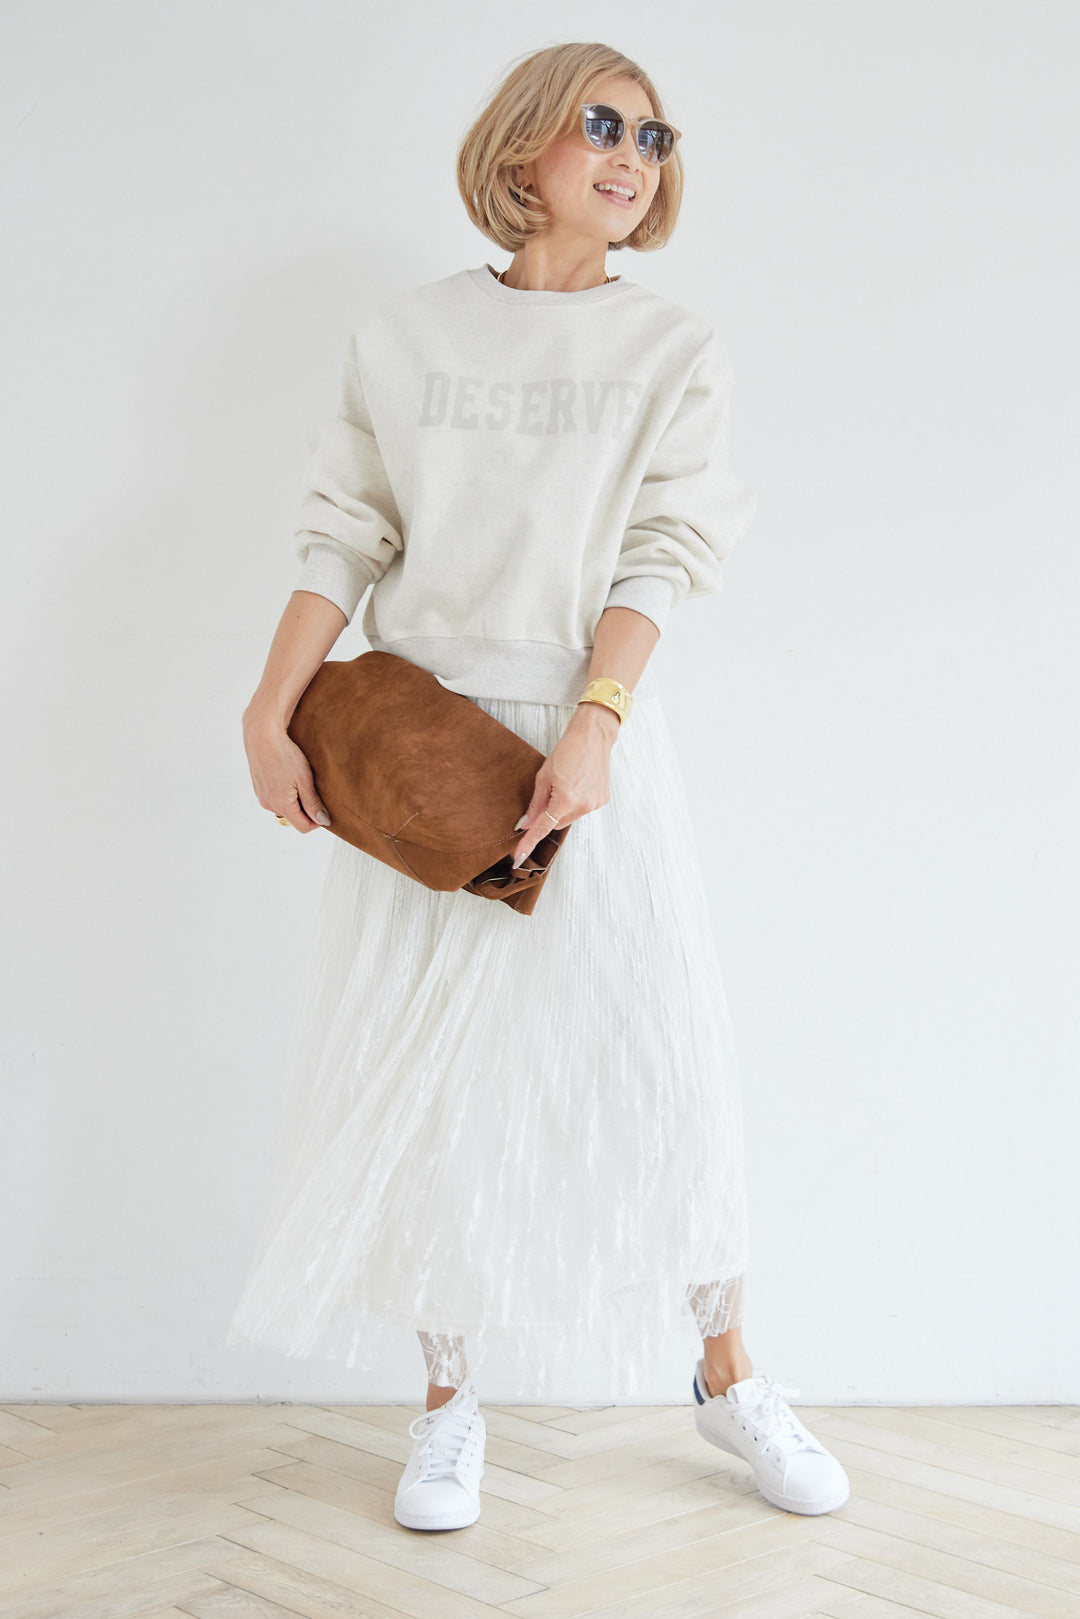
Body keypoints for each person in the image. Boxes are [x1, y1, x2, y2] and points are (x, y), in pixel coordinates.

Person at [226, 40, 850, 1531]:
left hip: (582, 738)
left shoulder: (672, 349)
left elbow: (661, 551)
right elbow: (345, 530)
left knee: (662, 1061)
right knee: (430, 1080)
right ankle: (448, 1404)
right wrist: (267, 707)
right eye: (601, 126)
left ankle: (727, 1374)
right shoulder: (407, 335)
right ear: (522, 150)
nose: (633, 156)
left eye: (654, 136)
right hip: (424, 748)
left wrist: (597, 724)